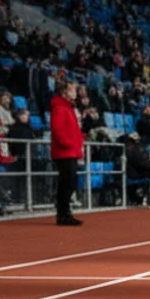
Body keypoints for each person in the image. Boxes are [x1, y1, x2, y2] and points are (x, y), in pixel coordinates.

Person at [50, 81, 85, 226]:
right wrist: (71, 144)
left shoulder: (67, 108)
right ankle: (63, 214)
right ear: (65, 92)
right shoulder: (60, 108)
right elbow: (58, 131)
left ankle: (64, 213)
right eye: (72, 90)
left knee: (69, 183)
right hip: (65, 152)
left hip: (70, 151)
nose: (75, 93)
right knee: (67, 183)